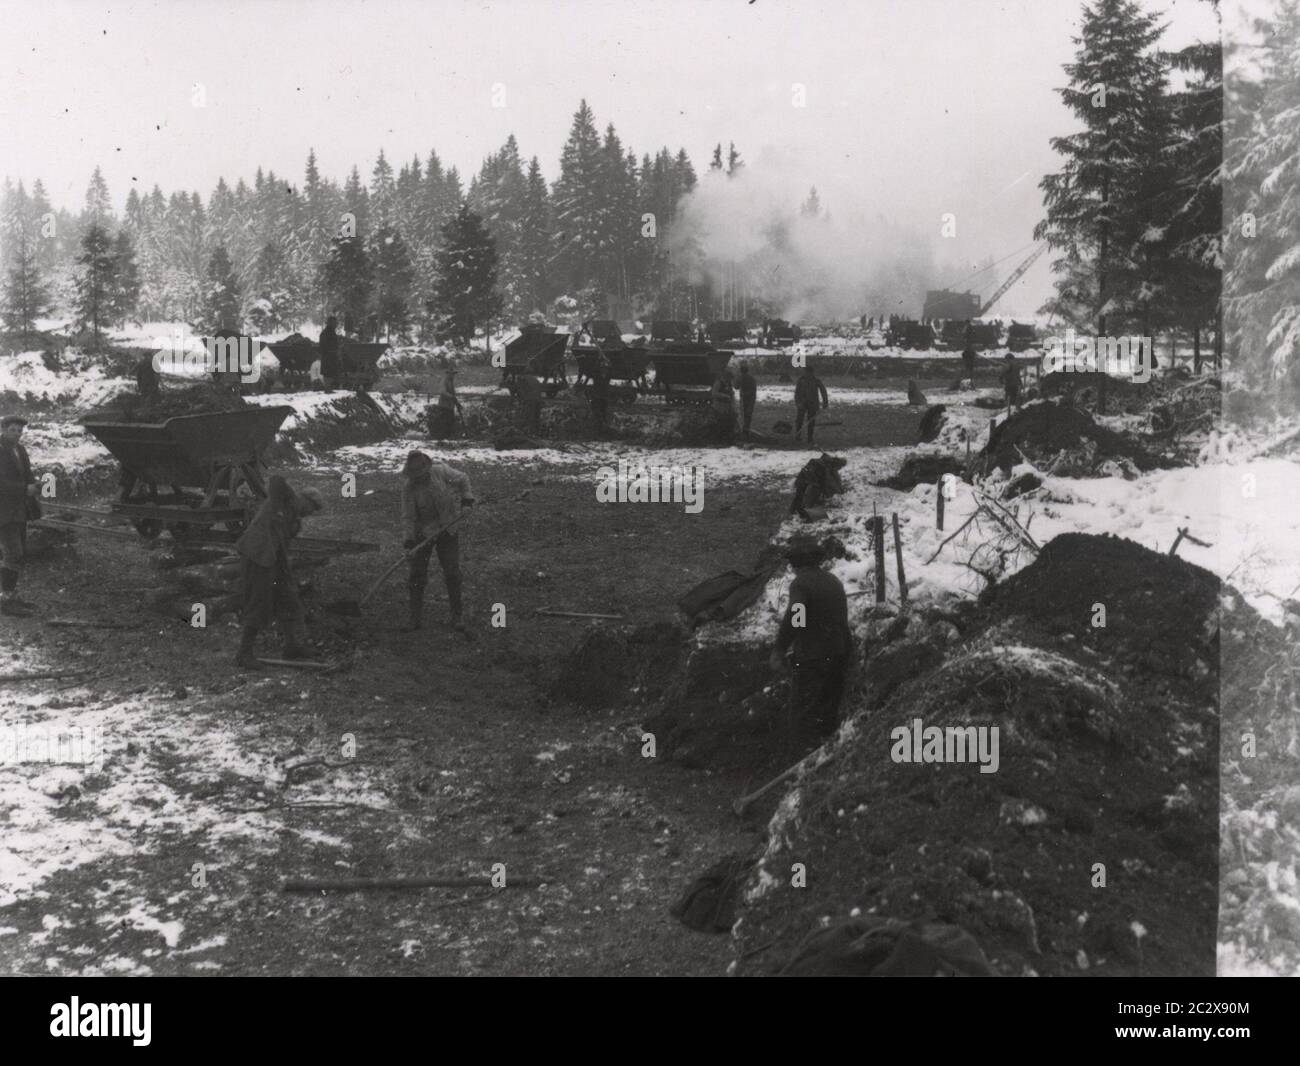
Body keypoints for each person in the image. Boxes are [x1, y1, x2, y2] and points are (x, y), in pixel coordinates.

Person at [768, 535, 852, 751]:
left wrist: (779, 649)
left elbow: (797, 616)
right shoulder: (833, 581)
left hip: (812, 658)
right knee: (827, 712)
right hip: (838, 655)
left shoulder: (802, 583)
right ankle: (823, 762)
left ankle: (798, 764)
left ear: (796, 563)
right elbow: (842, 621)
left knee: (803, 714)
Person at [234, 476, 324, 667]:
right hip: (256, 554)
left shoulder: (294, 521)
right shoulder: (281, 499)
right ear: (305, 500)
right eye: (312, 508)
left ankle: (291, 646)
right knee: (258, 602)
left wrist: (285, 571)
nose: (310, 514)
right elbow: (276, 480)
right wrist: (291, 494)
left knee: (288, 599)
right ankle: (244, 653)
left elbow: (283, 544)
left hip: (274, 559)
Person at [400, 451, 474, 633]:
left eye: (422, 474)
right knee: (417, 574)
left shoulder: (441, 471)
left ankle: (457, 616)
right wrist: (409, 543)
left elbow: (463, 479)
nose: (420, 478)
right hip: (423, 533)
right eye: (415, 475)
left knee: (452, 573)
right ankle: (414, 619)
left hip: (448, 528)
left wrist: (466, 502)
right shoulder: (409, 488)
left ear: (427, 468)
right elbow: (408, 517)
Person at [0, 415, 40, 618]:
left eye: (19, 431)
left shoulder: (20, 450)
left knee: (18, 551)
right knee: (12, 552)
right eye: (13, 429)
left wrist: (36, 486)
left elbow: (28, 474)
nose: (17, 434)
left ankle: (10, 595)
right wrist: (26, 489)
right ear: (4, 429)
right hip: (4, 510)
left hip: (19, 509)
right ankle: (6, 599)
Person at [794, 364, 829, 444]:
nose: (804, 373)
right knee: (799, 420)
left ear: (811, 373)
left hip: (813, 404)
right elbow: (797, 393)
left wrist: (825, 402)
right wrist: (798, 403)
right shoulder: (801, 380)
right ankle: (798, 435)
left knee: (811, 421)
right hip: (802, 403)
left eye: (805, 372)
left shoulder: (816, 380)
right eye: (804, 372)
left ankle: (810, 437)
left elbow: (823, 391)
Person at [429, 365, 463, 439]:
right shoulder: (444, 380)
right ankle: (443, 437)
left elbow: (452, 394)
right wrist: (452, 397)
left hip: (450, 406)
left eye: (453, 374)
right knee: (444, 422)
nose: (453, 375)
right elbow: (443, 392)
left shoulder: (451, 381)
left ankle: (447, 437)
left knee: (450, 421)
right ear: (448, 373)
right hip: (444, 406)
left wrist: (457, 403)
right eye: (451, 373)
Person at [711, 369, 737, 443]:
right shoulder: (718, 383)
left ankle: (727, 438)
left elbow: (731, 394)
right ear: (726, 377)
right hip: (719, 406)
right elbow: (714, 393)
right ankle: (719, 439)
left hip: (727, 406)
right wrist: (724, 395)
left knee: (729, 422)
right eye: (729, 378)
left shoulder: (728, 383)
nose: (730, 380)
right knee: (720, 422)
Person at [588, 353, 610, 435]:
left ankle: (601, 430)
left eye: (605, 369)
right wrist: (599, 360)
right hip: (597, 398)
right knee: (597, 415)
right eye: (603, 369)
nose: (604, 371)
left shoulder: (607, 377)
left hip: (603, 398)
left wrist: (606, 360)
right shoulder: (597, 375)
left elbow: (611, 368)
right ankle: (596, 431)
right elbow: (594, 369)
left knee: (603, 414)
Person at [318, 316, 341, 390]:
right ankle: (327, 389)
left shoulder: (330, 332)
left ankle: (329, 388)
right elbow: (324, 345)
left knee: (330, 374)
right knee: (328, 375)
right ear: (331, 323)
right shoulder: (326, 333)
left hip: (331, 357)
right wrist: (333, 351)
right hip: (328, 357)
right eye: (335, 323)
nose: (336, 325)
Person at [737, 362, 758, 434]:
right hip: (748, 398)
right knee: (746, 415)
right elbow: (736, 386)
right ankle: (745, 429)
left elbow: (736, 387)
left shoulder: (748, 378)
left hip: (747, 398)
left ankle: (745, 429)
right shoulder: (751, 378)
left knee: (746, 414)